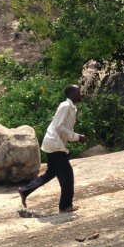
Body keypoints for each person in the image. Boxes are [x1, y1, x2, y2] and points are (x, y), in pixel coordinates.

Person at [18, 84, 89, 212]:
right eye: (78, 92)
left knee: (50, 173)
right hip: (55, 144)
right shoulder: (65, 106)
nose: (81, 94)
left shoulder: (71, 107)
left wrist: (74, 137)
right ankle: (65, 206)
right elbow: (59, 127)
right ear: (71, 94)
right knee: (67, 176)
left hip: (55, 143)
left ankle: (25, 190)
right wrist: (77, 137)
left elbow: (64, 127)